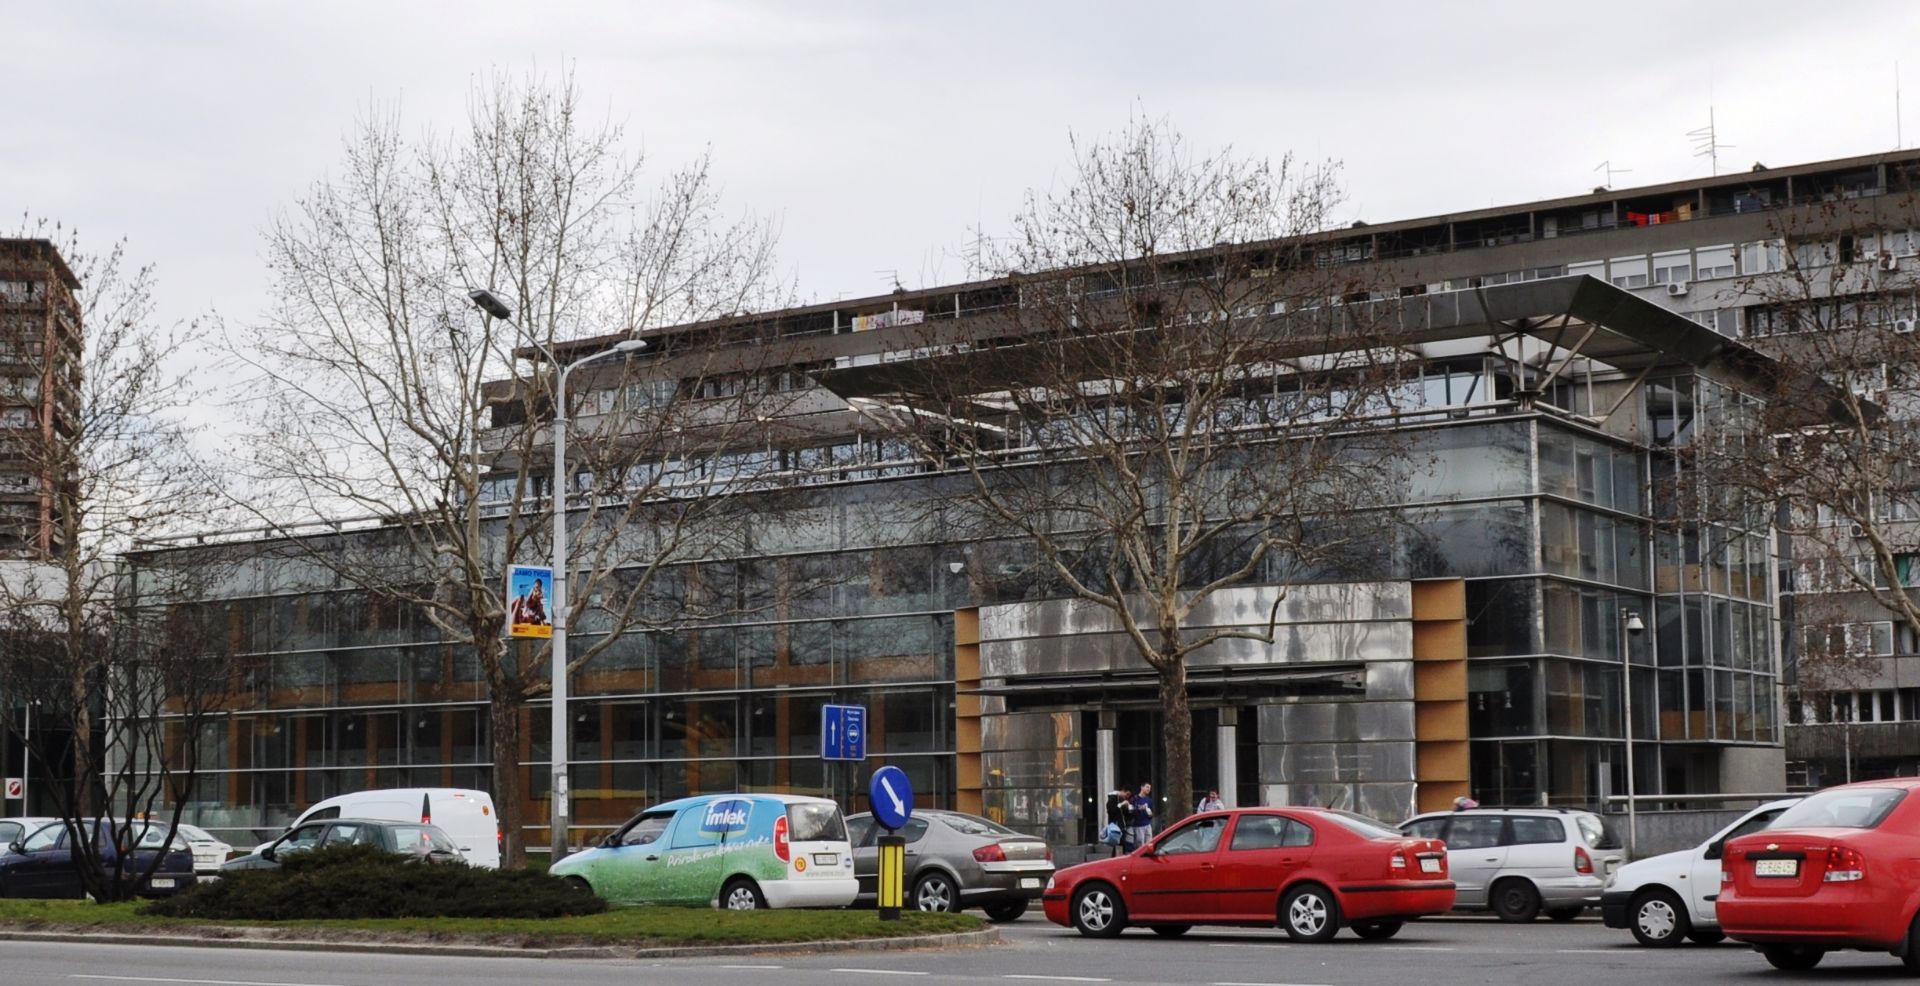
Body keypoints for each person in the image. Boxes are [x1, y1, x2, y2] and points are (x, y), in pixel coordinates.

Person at [1104, 787, 1134, 856]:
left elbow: (1125, 815)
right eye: (1127, 794)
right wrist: (1121, 804)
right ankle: (1117, 859)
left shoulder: (1121, 800)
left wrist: (1129, 809)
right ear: (1122, 791)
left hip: (1122, 826)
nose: (1127, 797)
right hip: (1115, 827)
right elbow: (1110, 811)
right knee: (1119, 845)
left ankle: (1118, 859)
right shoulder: (1112, 798)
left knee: (1121, 845)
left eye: (1128, 796)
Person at [1128, 782, 1155, 847]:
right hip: (1138, 825)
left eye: (1150, 788)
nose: (1149, 789)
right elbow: (1130, 811)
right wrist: (1139, 808)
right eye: (1147, 787)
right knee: (1140, 845)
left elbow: (1152, 812)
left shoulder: (1149, 800)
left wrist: (1150, 814)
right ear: (1142, 787)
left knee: (1149, 845)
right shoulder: (1134, 799)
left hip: (1148, 825)